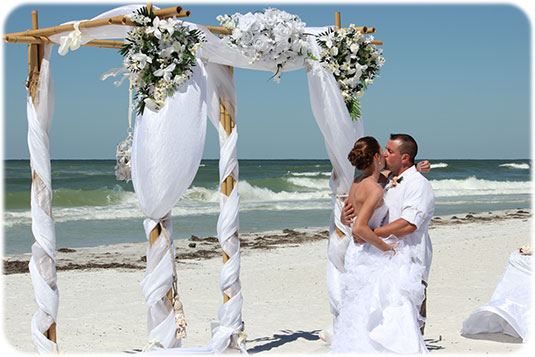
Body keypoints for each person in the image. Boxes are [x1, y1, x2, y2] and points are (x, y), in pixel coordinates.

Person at [331, 136, 428, 353]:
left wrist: (419, 168)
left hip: (358, 251)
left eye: (389, 150)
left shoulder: (357, 182)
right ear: (375, 156)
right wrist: (387, 248)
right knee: (377, 304)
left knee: (362, 306)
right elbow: (359, 229)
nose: (385, 154)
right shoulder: (374, 188)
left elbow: (400, 181)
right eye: (383, 151)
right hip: (368, 250)